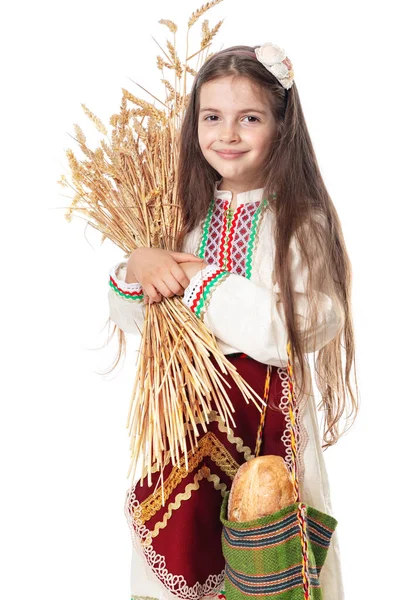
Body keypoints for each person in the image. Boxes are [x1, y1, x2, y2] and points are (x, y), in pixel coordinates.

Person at [107, 43, 358, 600]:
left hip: (271, 430)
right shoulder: (181, 220)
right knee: (175, 567)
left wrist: (198, 281)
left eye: (250, 118)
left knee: (271, 568)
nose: (229, 133)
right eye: (212, 117)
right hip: (184, 431)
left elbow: (294, 329)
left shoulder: (301, 224)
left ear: (282, 125)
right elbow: (140, 321)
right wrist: (139, 265)